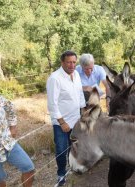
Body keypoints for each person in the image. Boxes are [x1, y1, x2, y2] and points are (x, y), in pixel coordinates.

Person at [46, 50, 86, 186]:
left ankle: (73, 168)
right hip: (61, 123)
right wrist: (62, 122)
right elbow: (52, 104)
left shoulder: (76, 75)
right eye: (69, 62)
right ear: (62, 62)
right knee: (61, 150)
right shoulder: (55, 78)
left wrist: (83, 111)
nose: (72, 65)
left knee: (74, 147)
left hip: (76, 120)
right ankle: (61, 174)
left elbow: (80, 94)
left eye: (74, 62)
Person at [0, 94, 35, 187]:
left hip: (8, 142)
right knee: (0, 181)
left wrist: (13, 126)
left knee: (29, 168)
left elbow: (10, 107)